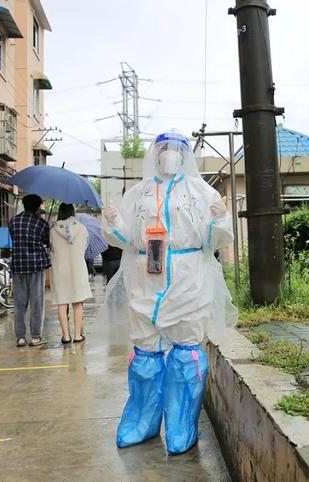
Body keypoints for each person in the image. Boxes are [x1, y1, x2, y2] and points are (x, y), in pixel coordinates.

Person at [100, 130, 236, 455]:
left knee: (186, 354)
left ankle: (181, 428)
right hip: (147, 276)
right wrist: (114, 219)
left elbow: (213, 240)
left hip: (189, 277)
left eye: (176, 149)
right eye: (164, 148)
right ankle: (141, 424)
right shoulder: (139, 193)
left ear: (185, 154)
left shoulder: (202, 192)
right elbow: (128, 238)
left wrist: (220, 219)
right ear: (155, 153)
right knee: (145, 354)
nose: (169, 154)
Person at [8, 194, 50, 347]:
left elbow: (15, 238)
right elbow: (46, 241)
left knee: (19, 303)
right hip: (36, 265)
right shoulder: (42, 224)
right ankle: (36, 336)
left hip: (18, 265)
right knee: (36, 302)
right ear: (38, 206)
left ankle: (20, 337)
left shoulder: (13, 221)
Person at [50, 203, 92, 344]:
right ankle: (77, 335)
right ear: (73, 212)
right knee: (77, 301)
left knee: (62, 302)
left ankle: (66, 336)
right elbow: (85, 246)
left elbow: (51, 248)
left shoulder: (53, 230)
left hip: (60, 269)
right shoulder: (82, 228)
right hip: (77, 268)